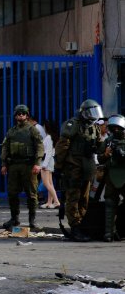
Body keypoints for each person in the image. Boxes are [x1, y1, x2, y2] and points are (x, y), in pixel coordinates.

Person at [55, 99, 104, 242]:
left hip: (87, 167)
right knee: (73, 197)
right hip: (73, 167)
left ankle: (81, 223)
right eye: (90, 112)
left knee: (84, 198)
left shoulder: (94, 127)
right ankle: (75, 227)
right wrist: (59, 166)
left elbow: (99, 145)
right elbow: (62, 146)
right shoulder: (73, 125)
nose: (93, 116)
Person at [0, 104, 44, 231]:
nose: (21, 115)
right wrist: (3, 164)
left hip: (29, 165)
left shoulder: (32, 130)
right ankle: (15, 219)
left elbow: (39, 146)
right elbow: (5, 147)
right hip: (14, 166)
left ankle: (32, 220)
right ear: (15, 116)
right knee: (12, 193)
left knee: (32, 194)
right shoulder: (11, 131)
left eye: (23, 113)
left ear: (27, 115)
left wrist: (37, 163)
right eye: (18, 113)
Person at [100, 114, 125, 242]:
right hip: (112, 175)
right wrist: (106, 154)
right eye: (113, 128)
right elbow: (100, 158)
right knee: (110, 203)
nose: (116, 131)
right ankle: (109, 233)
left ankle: (118, 231)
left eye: (118, 128)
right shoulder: (108, 141)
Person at [38, 118, 60, 209]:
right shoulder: (52, 137)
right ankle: (49, 202)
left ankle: (56, 201)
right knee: (50, 183)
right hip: (50, 161)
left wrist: (44, 165)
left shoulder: (48, 138)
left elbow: (48, 152)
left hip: (47, 161)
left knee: (46, 183)